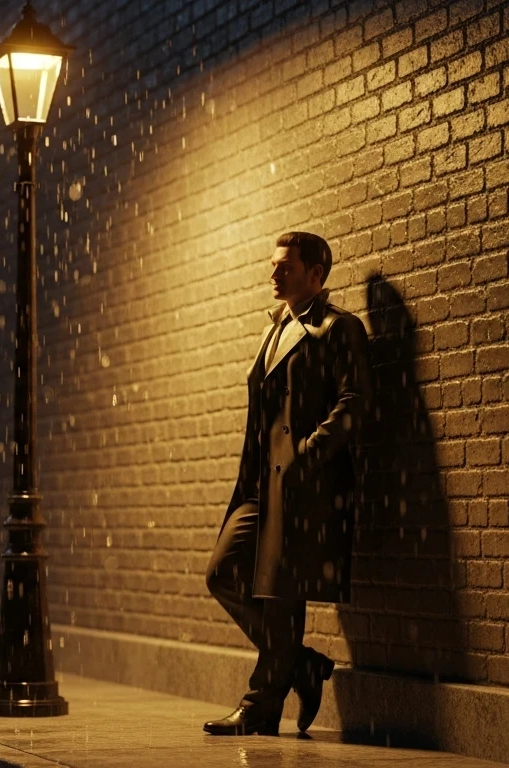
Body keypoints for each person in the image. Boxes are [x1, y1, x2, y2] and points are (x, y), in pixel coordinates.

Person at [203, 231, 373, 736]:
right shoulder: (276, 326)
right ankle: (300, 665)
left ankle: (262, 705)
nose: (274, 274)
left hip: (303, 487)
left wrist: (306, 457)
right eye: (274, 265)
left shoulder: (338, 329)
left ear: (317, 275)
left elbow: (356, 400)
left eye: (288, 268)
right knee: (223, 572)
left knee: (281, 597)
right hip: (261, 484)